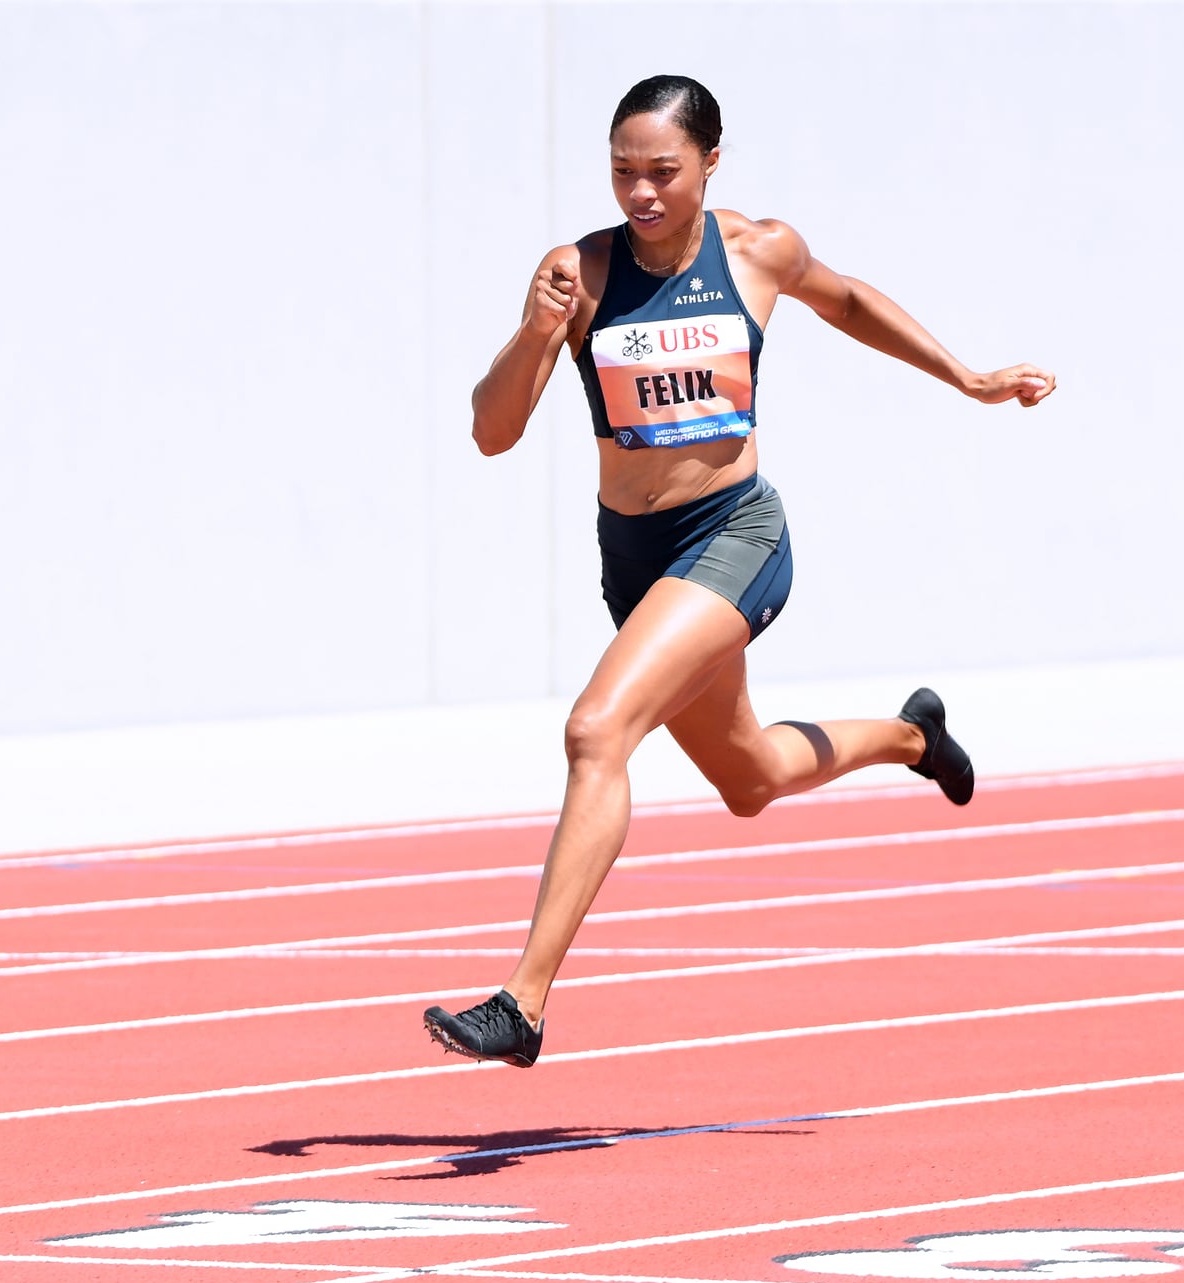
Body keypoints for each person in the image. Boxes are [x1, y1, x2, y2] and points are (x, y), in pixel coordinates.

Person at [422, 74, 1055, 1069]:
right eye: (622, 172)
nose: (640, 194)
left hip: (735, 535)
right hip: (634, 561)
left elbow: (848, 303)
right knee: (749, 776)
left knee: (597, 730)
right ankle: (908, 735)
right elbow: (490, 434)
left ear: (709, 163)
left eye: (661, 173)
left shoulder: (758, 250)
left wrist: (967, 376)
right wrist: (535, 332)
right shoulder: (576, 273)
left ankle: (523, 1001)